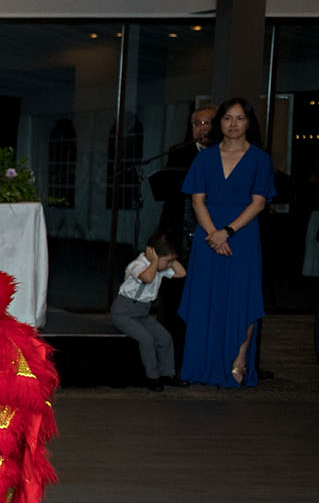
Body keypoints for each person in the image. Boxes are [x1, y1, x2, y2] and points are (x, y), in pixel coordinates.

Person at [177, 97, 276, 388]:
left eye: (240, 118)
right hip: (208, 239)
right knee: (205, 298)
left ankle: (239, 357)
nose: (233, 124)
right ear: (220, 123)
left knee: (241, 296)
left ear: (249, 123)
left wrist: (227, 232)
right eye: (227, 118)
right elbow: (197, 200)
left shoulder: (260, 158)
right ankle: (200, 363)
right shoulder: (205, 157)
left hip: (242, 237)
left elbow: (259, 203)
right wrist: (213, 235)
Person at [112, 230, 186, 390]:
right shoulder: (137, 265)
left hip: (142, 313)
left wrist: (170, 260)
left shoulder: (160, 267)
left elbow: (181, 273)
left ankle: (168, 373)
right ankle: (152, 377)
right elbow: (147, 278)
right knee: (147, 339)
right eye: (168, 261)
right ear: (154, 257)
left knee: (164, 337)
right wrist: (154, 262)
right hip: (124, 313)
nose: (169, 265)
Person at [149, 105, 218, 243]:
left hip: (215, 217)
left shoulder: (225, 154)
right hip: (182, 218)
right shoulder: (179, 151)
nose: (202, 128)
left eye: (207, 123)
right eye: (197, 124)